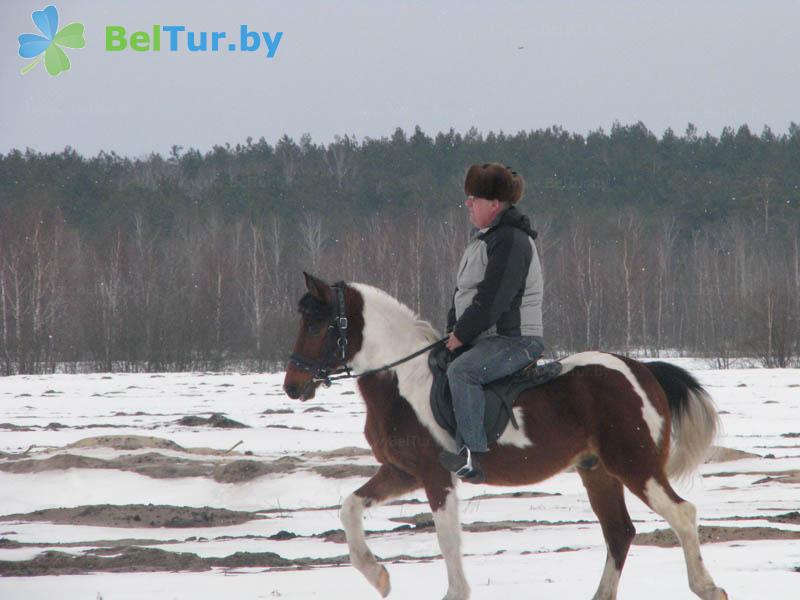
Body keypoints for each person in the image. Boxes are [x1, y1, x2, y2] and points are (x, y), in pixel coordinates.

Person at [438, 163, 544, 483]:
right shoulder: (485, 240)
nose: (468, 204)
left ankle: (472, 455)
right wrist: (453, 330)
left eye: (474, 198)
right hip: (489, 337)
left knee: (462, 371)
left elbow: (493, 298)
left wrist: (462, 334)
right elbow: (465, 293)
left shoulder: (511, 240)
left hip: (515, 340)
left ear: (494, 205)